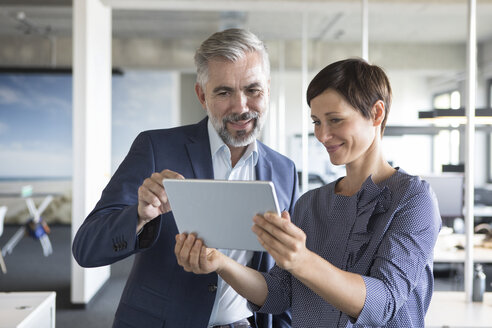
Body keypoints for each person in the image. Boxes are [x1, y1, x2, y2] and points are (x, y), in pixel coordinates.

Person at [174, 58, 442, 327]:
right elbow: (279, 294)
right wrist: (220, 262)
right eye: (316, 122)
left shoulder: (413, 199)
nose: (323, 135)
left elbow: (383, 304)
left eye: (335, 120)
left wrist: (302, 260)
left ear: (376, 113)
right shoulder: (311, 203)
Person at [72, 28, 299, 328]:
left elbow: (284, 276)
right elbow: (86, 248)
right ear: (202, 96)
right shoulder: (155, 148)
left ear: (267, 90)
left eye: (253, 90)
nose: (241, 106)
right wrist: (139, 216)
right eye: (224, 92)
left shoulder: (284, 170)